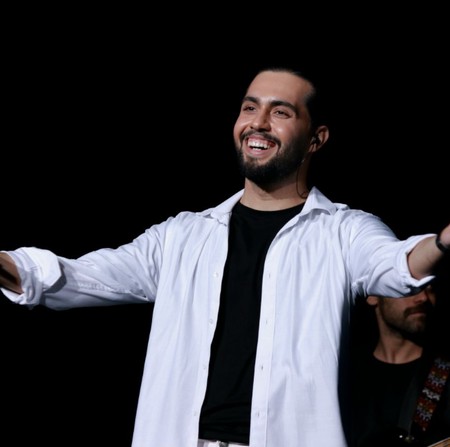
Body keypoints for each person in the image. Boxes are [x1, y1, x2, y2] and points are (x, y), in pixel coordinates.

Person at [0, 66, 449, 447]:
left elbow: (397, 265)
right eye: (250, 108)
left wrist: (444, 242)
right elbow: (73, 278)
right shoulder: (181, 236)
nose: (258, 123)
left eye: (281, 112)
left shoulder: (343, 231)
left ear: (316, 138)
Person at [350, 279, 450, 447]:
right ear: (373, 296)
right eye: (409, 287)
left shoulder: (442, 372)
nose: (423, 297)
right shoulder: (345, 379)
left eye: (430, 288)